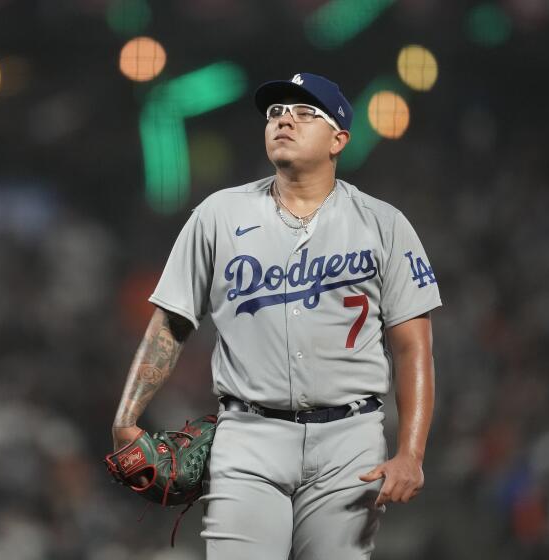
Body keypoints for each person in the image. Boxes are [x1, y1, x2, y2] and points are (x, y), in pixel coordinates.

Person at [111, 72, 442, 559]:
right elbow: (171, 322)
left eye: (305, 113)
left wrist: (411, 452)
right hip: (248, 436)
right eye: (275, 113)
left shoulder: (383, 223)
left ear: (339, 139)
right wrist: (127, 415)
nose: (284, 119)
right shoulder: (218, 215)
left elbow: (413, 345)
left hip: (350, 441)